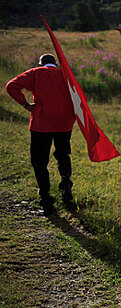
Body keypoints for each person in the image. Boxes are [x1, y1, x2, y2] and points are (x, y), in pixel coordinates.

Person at [6, 53, 76, 215]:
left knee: (39, 161)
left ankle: (46, 198)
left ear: (41, 63)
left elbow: (11, 86)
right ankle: (66, 183)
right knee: (63, 154)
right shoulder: (65, 75)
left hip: (41, 123)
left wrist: (25, 104)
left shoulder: (35, 73)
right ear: (55, 64)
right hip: (63, 123)